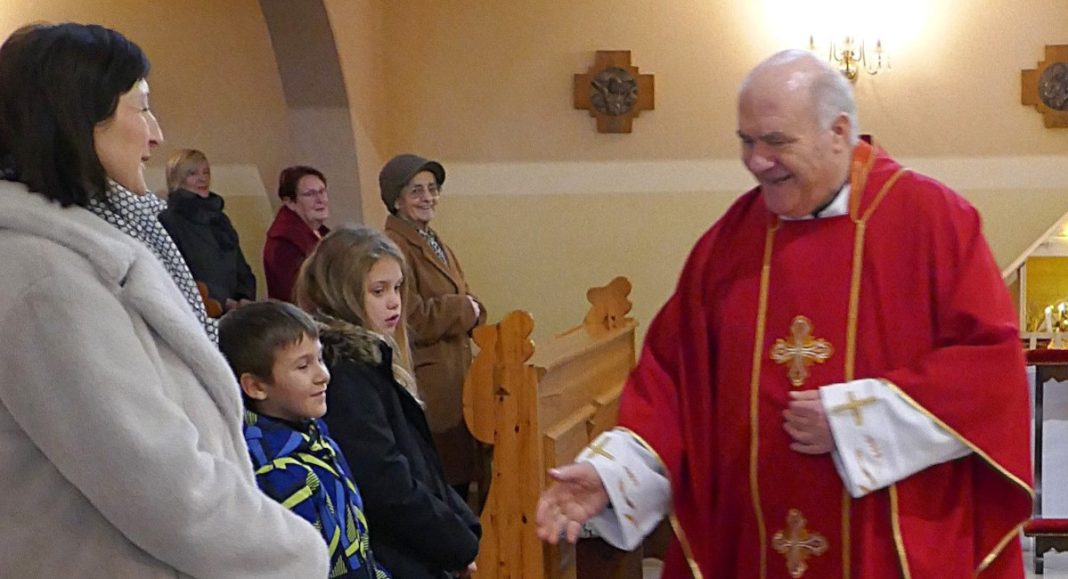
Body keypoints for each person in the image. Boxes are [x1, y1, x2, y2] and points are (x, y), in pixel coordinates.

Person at [536, 50, 1033, 578]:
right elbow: (673, 383)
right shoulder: (730, 243)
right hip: (755, 546)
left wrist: (854, 420)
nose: (756, 161)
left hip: (889, 546)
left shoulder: (930, 220)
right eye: (746, 141)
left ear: (838, 132)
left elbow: (988, 372)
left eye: (776, 141)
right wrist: (612, 474)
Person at [0, 22, 328, 577]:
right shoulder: (47, 279)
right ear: (81, 120)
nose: (156, 135)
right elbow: (156, 481)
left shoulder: (92, 248)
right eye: (141, 109)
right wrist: (300, 554)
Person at [298, 225, 481, 579]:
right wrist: (454, 544)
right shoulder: (344, 372)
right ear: (342, 294)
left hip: (414, 547)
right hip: (390, 555)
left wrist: (462, 528)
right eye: (378, 291)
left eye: (398, 287)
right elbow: (385, 481)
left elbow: (421, 467)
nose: (394, 301)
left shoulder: (372, 358)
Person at [218, 301, 391, 579]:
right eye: (303, 366)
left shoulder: (313, 433)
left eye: (319, 359)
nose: (322, 375)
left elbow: (356, 547)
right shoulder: (274, 471)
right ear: (256, 386)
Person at [379, 154, 487, 500]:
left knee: (457, 470)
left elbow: (462, 292)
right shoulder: (394, 245)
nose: (428, 197)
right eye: (416, 191)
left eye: (432, 189)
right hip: (429, 375)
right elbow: (408, 317)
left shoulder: (431, 238)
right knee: (440, 476)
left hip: (454, 368)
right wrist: (463, 309)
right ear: (397, 199)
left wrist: (475, 309)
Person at [159, 148, 256, 311]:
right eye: (193, 174)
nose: (202, 179)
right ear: (177, 180)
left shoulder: (219, 218)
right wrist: (220, 302)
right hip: (200, 311)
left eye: (206, 172)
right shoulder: (170, 221)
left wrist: (244, 297)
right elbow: (176, 274)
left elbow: (240, 265)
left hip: (236, 312)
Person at [264, 164, 331, 302]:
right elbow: (298, 296)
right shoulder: (283, 243)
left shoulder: (323, 233)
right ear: (290, 203)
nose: (320, 200)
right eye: (310, 194)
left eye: (322, 191)